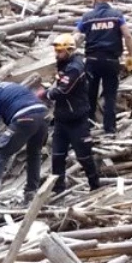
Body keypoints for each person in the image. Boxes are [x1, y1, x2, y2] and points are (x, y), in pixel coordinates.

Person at [0, 78, 48, 210]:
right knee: (34, 154)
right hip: (41, 114)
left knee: (0, 154)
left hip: (24, 116)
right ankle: (31, 193)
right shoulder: (8, 87)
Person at [76, 0, 132, 136]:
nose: (91, 0)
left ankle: (88, 126)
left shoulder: (87, 17)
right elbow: (127, 36)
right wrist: (130, 56)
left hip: (92, 60)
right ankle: (110, 129)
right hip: (111, 61)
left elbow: (76, 37)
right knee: (110, 96)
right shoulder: (117, 15)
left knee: (90, 94)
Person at [44, 33, 100, 195]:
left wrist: (46, 94)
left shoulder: (75, 68)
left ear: (69, 51)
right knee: (57, 156)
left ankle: (95, 185)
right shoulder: (63, 64)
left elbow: (63, 91)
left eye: (60, 51)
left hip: (77, 119)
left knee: (84, 156)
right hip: (62, 118)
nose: (57, 54)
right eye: (56, 51)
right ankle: (58, 188)